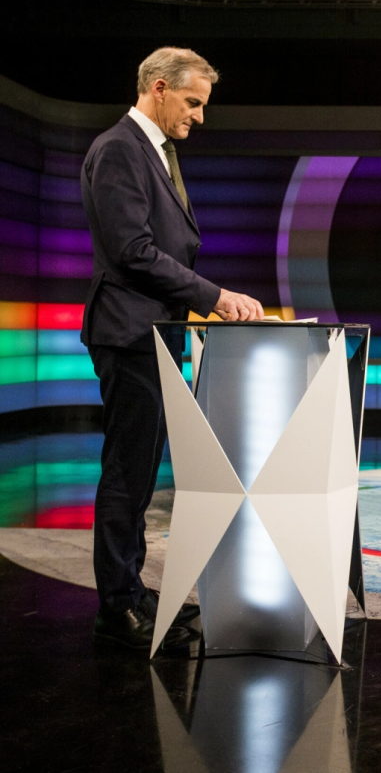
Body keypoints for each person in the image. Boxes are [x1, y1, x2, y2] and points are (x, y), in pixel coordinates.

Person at [82, 47, 264, 649]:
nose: (199, 117)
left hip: (153, 332)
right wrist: (214, 296)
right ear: (158, 88)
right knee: (127, 471)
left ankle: (131, 590)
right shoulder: (119, 149)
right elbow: (132, 251)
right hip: (128, 332)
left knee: (140, 472)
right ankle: (117, 608)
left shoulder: (152, 151)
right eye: (192, 102)